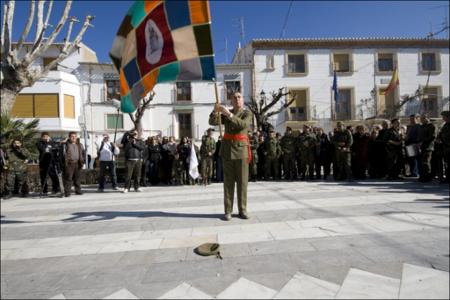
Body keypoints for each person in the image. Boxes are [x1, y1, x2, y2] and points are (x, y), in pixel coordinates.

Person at [209, 92, 252, 221]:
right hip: (227, 151)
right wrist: (215, 110)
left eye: (239, 97)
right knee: (228, 183)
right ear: (231, 101)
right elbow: (212, 122)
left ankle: (242, 210)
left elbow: (242, 125)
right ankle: (228, 211)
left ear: (243, 100)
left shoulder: (246, 113)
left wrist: (228, 113)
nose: (237, 99)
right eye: (234, 97)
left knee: (242, 183)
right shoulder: (226, 113)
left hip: (241, 151)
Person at [61, 132, 85, 197]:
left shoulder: (80, 145)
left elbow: (83, 153)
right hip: (69, 164)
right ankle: (67, 192)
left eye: (75, 136)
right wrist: (62, 143)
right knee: (68, 178)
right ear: (69, 137)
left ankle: (78, 191)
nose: (74, 137)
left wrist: (83, 161)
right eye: (72, 136)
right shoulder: (65, 144)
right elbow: (62, 153)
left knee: (77, 178)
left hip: (78, 163)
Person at [418, 114, 436, 182]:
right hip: (422, 146)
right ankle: (423, 176)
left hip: (428, 146)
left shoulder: (431, 126)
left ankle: (428, 177)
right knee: (422, 162)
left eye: (423, 118)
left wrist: (423, 141)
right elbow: (420, 136)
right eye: (421, 119)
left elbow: (432, 137)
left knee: (426, 162)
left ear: (427, 118)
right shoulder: (422, 126)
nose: (422, 120)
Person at [437, 111, 450, 183]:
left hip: (448, 147)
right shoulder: (445, 125)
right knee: (446, 164)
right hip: (445, 148)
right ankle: (447, 178)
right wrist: (439, 138)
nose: (443, 118)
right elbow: (441, 134)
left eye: (444, 116)